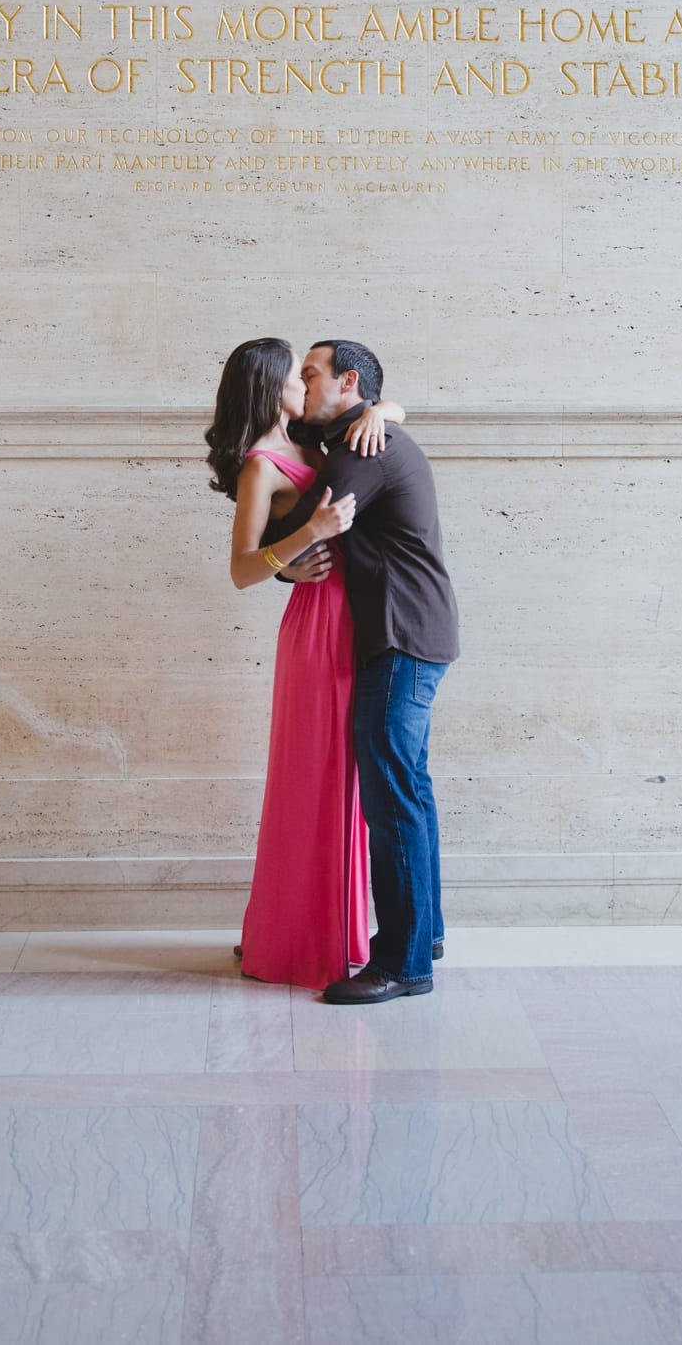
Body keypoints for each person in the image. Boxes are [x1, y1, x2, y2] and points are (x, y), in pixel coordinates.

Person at [204, 337, 406, 989]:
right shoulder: (261, 465)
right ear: (273, 386)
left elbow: (382, 415)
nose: (307, 384)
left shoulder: (312, 447)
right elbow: (240, 570)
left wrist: (384, 411)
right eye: (298, 375)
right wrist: (304, 539)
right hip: (316, 629)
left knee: (346, 782)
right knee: (311, 779)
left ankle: (332, 930)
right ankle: (290, 939)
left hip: (355, 621)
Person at [271, 340, 460, 1005]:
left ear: (349, 381)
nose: (302, 381)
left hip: (399, 637)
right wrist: (386, 407)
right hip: (418, 633)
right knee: (411, 788)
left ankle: (403, 964)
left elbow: (305, 520)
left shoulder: (361, 448)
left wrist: (270, 534)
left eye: (312, 373)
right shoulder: (364, 434)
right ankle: (424, 934)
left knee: (392, 801)